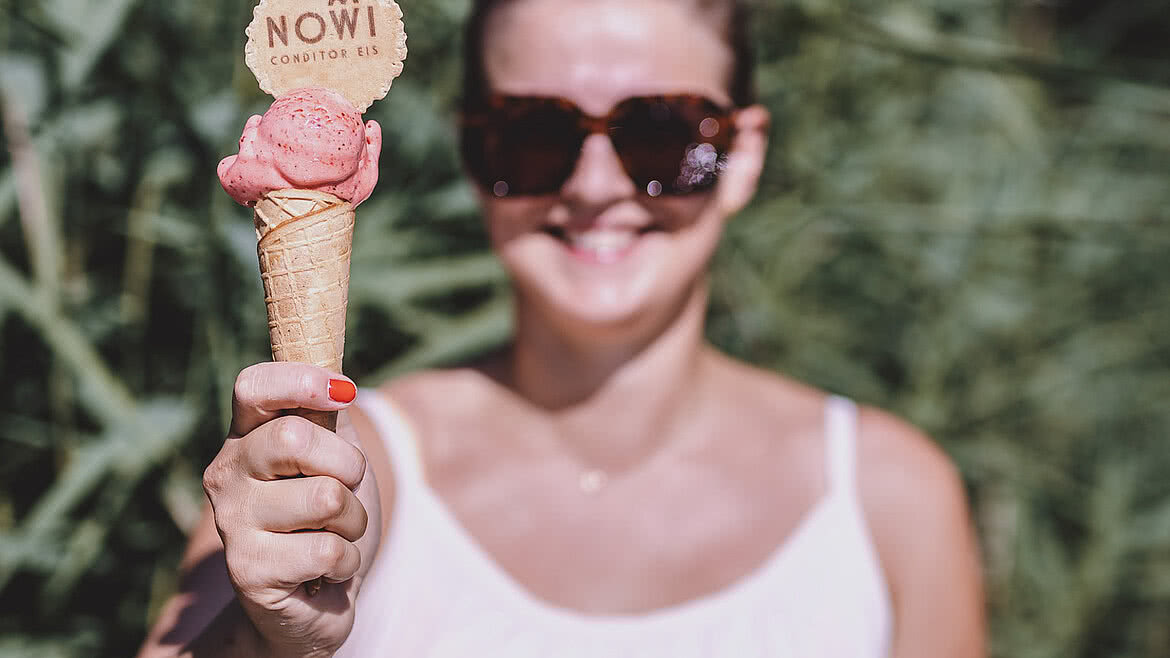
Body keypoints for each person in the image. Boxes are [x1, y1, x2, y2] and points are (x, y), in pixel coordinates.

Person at [138, 0, 986, 655]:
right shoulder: (340, 470)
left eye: (660, 134)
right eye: (531, 136)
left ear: (745, 154)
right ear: (473, 154)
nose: (592, 185)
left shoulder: (892, 500)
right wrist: (263, 636)